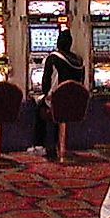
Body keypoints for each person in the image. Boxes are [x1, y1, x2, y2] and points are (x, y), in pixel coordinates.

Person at [29, 29, 85, 158]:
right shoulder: (79, 60)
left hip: (57, 102)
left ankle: (39, 145)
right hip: (76, 104)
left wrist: (43, 95)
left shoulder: (53, 58)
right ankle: (59, 145)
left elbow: (45, 85)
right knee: (52, 105)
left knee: (40, 106)